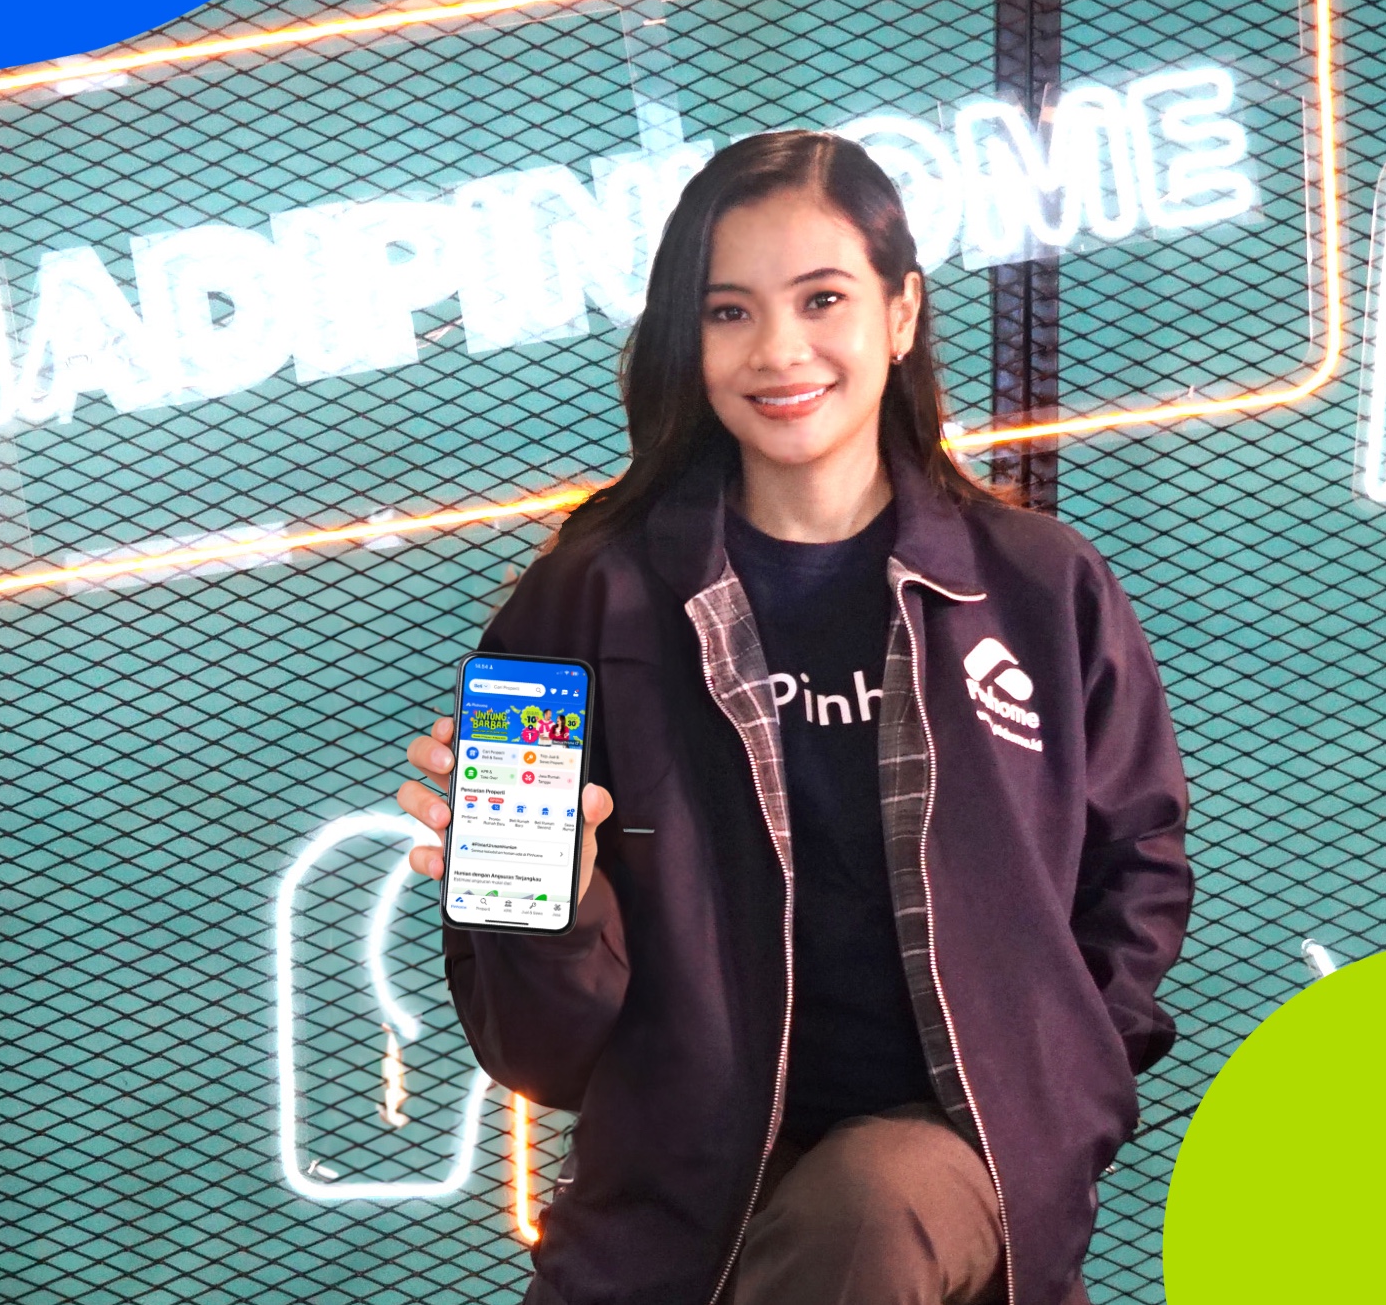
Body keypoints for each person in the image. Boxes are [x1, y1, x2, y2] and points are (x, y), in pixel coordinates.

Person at [396, 131, 1191, 1305]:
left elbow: (1136, 864)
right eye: (728, 312)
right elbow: (540, 1056)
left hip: (944, 1159)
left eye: (821, 299)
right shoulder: (586, 598)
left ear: (899, 312)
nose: (776, 350)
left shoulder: (1038, 586)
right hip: (672, 1198)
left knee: (868, 1208)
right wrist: (550, 909)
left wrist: (1062, 1081)